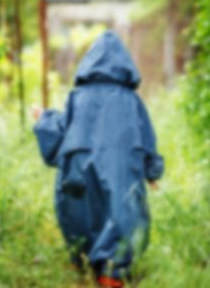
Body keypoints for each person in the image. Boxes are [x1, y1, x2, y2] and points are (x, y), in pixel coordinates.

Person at [33, 30, 164, 288]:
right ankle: (111, 271)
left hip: (78, 165)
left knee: (79, 209)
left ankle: (81, 258)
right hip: (122, 166)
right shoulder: (132, 101)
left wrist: (43, 118)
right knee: (122, 210)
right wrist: (152, 172)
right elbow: (147, 138)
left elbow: (60, 131)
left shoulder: (77, 97)